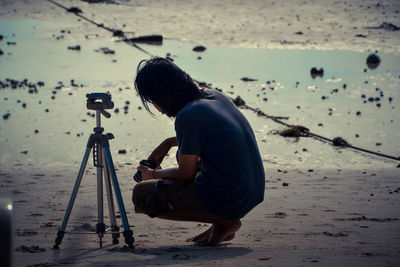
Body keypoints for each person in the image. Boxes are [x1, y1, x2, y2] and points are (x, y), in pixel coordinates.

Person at [132, 57, 265, 246]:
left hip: (233, 197)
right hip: (252, 190)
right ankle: (222, 223)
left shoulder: (187, 116)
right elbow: (214, 136)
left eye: (152, 99)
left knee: (142, 194)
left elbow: (186, 173)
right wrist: (168, 143)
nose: (155, 106)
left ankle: (225, 220)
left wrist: (152, 174)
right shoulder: (213, 96)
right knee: (184, 156)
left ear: (161, 96)